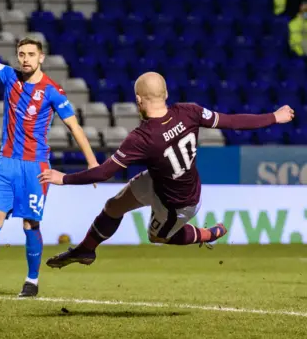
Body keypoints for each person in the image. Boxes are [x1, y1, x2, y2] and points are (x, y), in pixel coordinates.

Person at [39, 72, 295, 267]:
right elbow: (232, 121)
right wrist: (274, 116)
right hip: (159, 181)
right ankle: (85, 249)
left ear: (138, 100)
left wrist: (65, 178)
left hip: (178, 202)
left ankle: (208, 233)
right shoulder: (190, 112)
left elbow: (104, 173)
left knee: (158, 237)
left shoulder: (141, 137)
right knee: (113, 206)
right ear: (166, 94)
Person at [0, 0, 99, 298]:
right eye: (21, 54)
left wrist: (94, 165)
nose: (25, 59)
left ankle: (32, 281)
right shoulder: (10, 78)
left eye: (31, 54)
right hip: (6, 163)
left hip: (36, 166)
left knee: (31, 223)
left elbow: (75, 127)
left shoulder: (53, 92)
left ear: (41, 57)